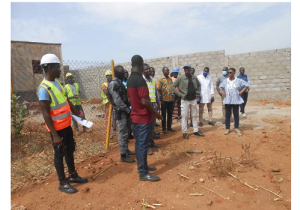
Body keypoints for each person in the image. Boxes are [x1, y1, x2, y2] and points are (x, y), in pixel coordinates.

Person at [37, 53, 87, 194]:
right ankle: (62, 182)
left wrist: (77, 113)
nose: (60, 70)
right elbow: (46, 114)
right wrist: (55, 135)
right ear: (48, 68)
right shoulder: (43, 89)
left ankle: (73, 175)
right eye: (57, 67)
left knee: (69, 151)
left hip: (67, 126)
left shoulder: (58, 84)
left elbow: (66, 101)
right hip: (57, 130)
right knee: (59, 155)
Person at [127, 55, 162, 181]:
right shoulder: (140, 80)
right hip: (142, 118)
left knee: (139, 144)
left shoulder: (130, 79)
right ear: (141, 65)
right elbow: (146, 102)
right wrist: (156, 113)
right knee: (142, 145)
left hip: (135, 116)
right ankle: (143, 173)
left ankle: (143, 166)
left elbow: (130, 99)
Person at [108, 65, 135, 163]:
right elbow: (117, 100)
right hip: (121, 111)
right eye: (122, 72)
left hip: (125, 110)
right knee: (123, 133)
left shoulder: (119, 82)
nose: (124, 74)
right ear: (117, 74)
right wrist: (127, 109)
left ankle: (126, 150)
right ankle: (123, 155)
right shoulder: (114, 84)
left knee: (126, 132)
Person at [171, 64, 205, 139]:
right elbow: (173, 87)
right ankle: (185, 132)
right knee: (184, 116)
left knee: (194, 116)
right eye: (185, 69)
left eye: (187, 69)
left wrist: (197, 93)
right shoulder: (181, 78)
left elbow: (199, 86)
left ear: (190, 70)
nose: (186, 70)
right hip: (185, 100)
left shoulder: (194, 77)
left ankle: (196, 130)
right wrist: (180, 94)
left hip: (193, 100)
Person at [219, 68, 250, 136]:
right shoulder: (225, 81)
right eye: (228, 72)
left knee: (236, 114)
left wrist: (241, 92)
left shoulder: (238, 80)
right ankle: (227, 128)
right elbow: (220, 87)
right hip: (228, 100)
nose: (229, 74)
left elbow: (247, 85)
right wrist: (223, 93)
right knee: (228, 115)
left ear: (234, 73)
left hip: (236, 100)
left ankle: (236, 127)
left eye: (230, 72)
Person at [143, 63, 161, 155]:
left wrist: (158, 103)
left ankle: (151, 142)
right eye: (146, 69)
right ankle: (147, 146)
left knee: (152, 125)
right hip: (146, 105)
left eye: (149, 69)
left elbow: (156, 93)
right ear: (143, 70)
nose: (149, 70)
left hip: (153, 105)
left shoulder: (153, 81)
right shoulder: (142, 80)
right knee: (146, 126)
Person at [157, 67, 175, 134]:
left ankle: (169, 127)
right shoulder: (161, 80)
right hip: (164, 100)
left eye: (168, 70)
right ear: (163, 71)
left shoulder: (170, 79)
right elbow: (158, 89)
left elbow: (172, 88)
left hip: (171, 99)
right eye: (166, 70)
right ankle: (164, 128)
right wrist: (160, 99)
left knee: (170, 114)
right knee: (164, 115)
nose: (168, 71)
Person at [101, 70, 117, 136]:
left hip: (113, 102)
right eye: (108, 76)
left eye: (111, 75)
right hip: (108, 103)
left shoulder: (114, 83)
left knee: (114, 117)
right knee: (107, 118)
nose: (110, 77)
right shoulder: (105, 84)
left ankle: (114, 130)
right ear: (106, 77)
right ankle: (108, 132)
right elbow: (106, 92)